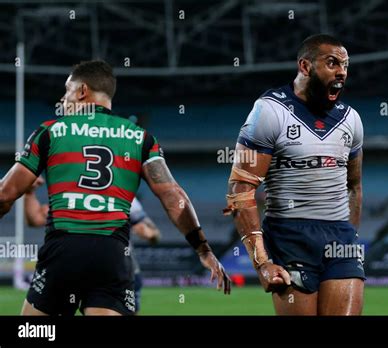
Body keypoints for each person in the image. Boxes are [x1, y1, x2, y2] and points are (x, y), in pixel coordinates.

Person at [0, 60, 230, 316]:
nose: (62, 99)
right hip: (112, 253)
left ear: (82, 91)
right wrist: (203, 249)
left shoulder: (50, 132)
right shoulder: (141, 138)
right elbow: (173, 196)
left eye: (67, 90)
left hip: (63, 250)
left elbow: (5, 194)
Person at [225, 34, 364, 315]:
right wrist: (262, 263)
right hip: (290, 235)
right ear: (305, 66)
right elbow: (241, 189)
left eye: (345, 65)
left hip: (341, 236)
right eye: (332, 63)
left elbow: (354, 185)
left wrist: (352, 235)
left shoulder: (352, 119)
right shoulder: (269, 111)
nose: (341, 72)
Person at [23, 176, 160, 314]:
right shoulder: (68, 192)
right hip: (71, 265)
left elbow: (154, 233)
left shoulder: (124, 195)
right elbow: (35, 219)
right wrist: (29, 193)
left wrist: (150, 233)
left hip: (115, 268)